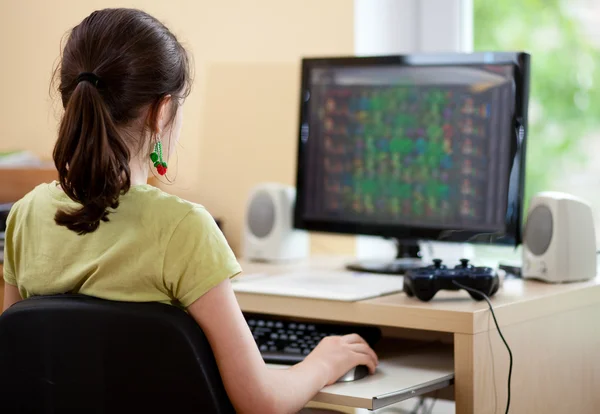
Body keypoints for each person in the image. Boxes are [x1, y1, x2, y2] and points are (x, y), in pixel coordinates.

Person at [1, 8, 378, 413]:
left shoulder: (24, 216)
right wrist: (323, 361)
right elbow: (262, 403)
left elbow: (19, 367)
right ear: (161, 111)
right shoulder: (184, 228)